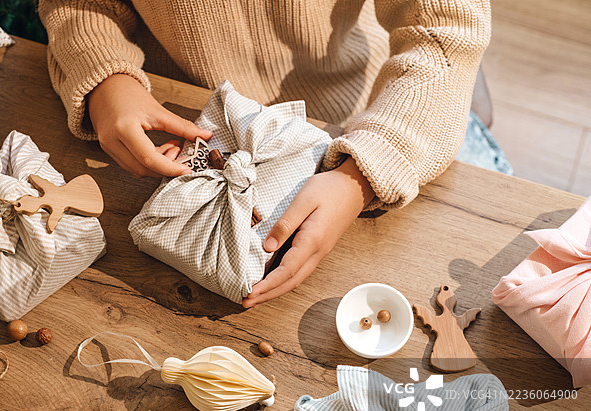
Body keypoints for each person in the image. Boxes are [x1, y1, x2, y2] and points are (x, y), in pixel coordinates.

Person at [38, 0, 503, 307]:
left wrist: (361, 175)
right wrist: (103, 80)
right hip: (177, 112)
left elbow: (446, 31)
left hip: (363, 122)